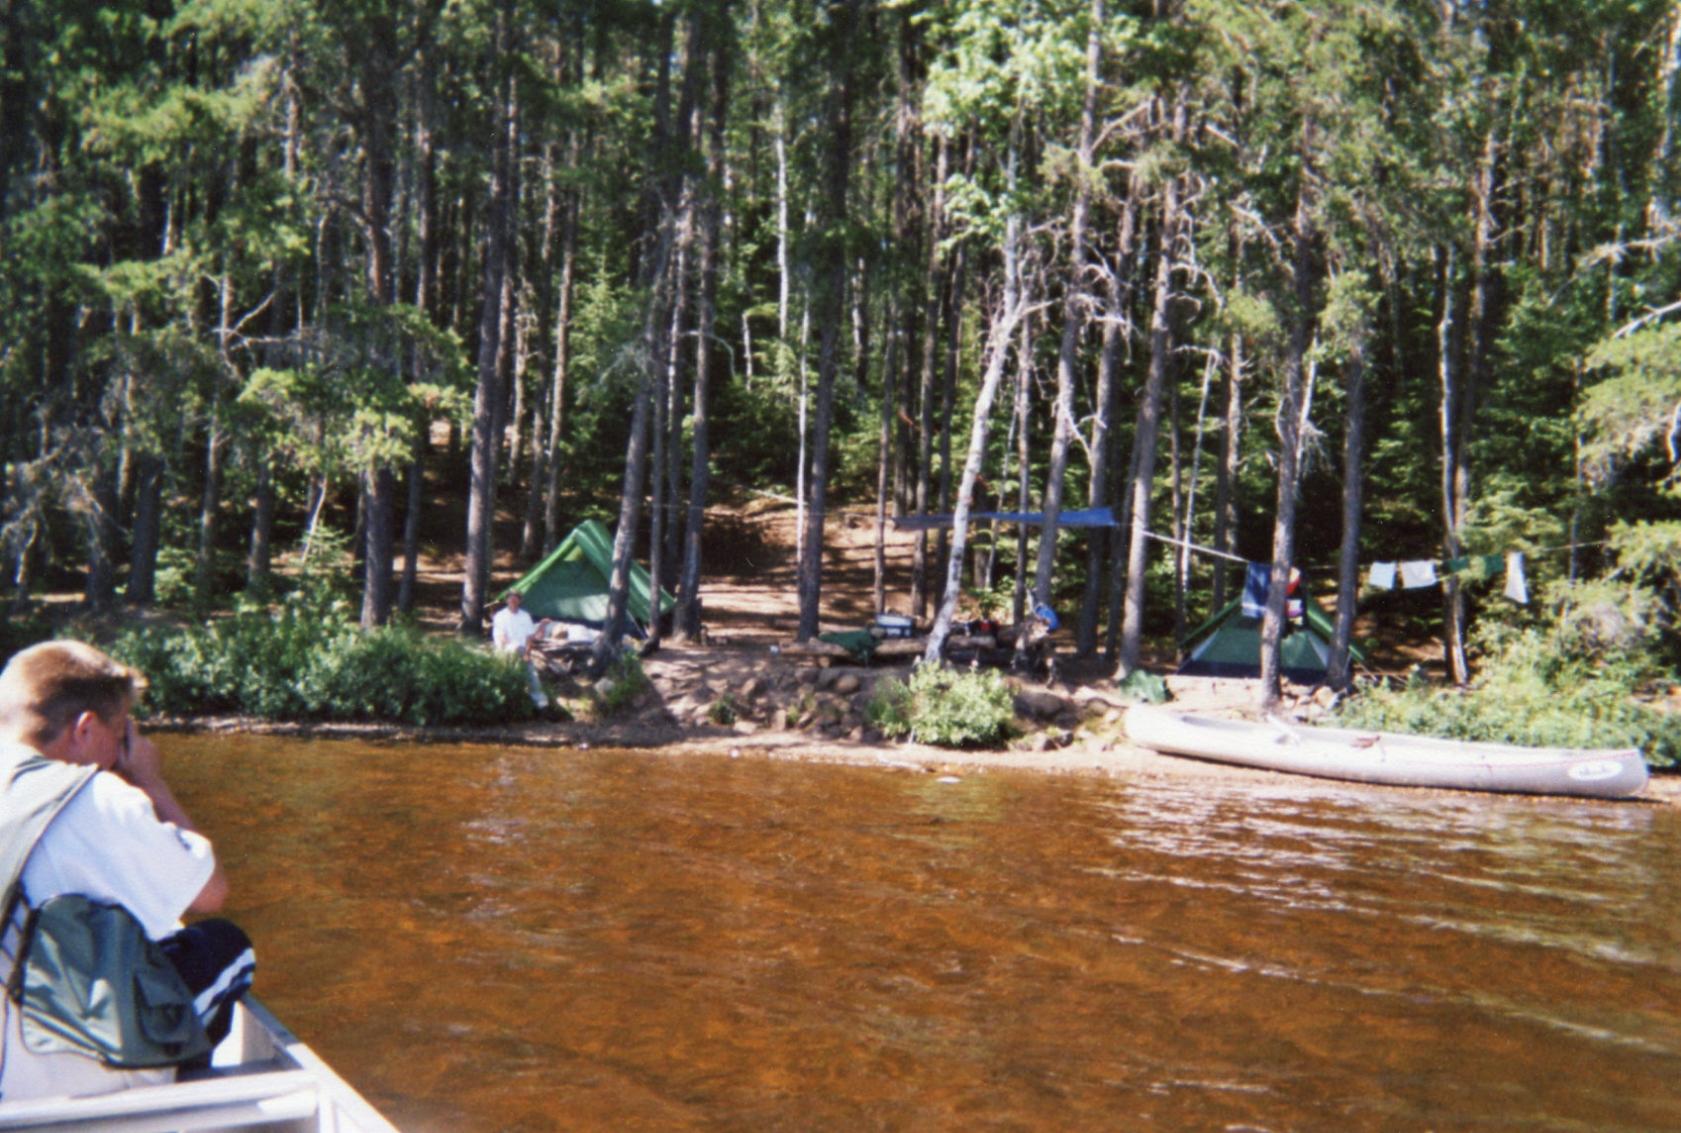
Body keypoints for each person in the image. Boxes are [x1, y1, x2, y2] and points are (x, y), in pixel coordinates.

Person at [0, 640, 254, 1101]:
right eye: (120, 737)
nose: (119, 756)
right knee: (226, 947)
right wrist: (149, 780)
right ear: (86, 728)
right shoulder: (95, 797)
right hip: (61, 1081)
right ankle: (175, 1107)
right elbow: (210, 891)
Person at [491, 592, 551, 708]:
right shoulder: (500, 616)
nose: (513, 602)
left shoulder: (525, 616)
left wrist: (527, 653)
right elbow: (502, 638)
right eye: (510, 599)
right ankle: (504, 702)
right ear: (507, 601)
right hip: (505, 650)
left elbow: (529, 637)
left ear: (519, 601)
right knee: (508, 674)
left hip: (522, 650)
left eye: (515, 599)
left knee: (532, 674)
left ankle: (541, 704)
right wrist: (513, 649)